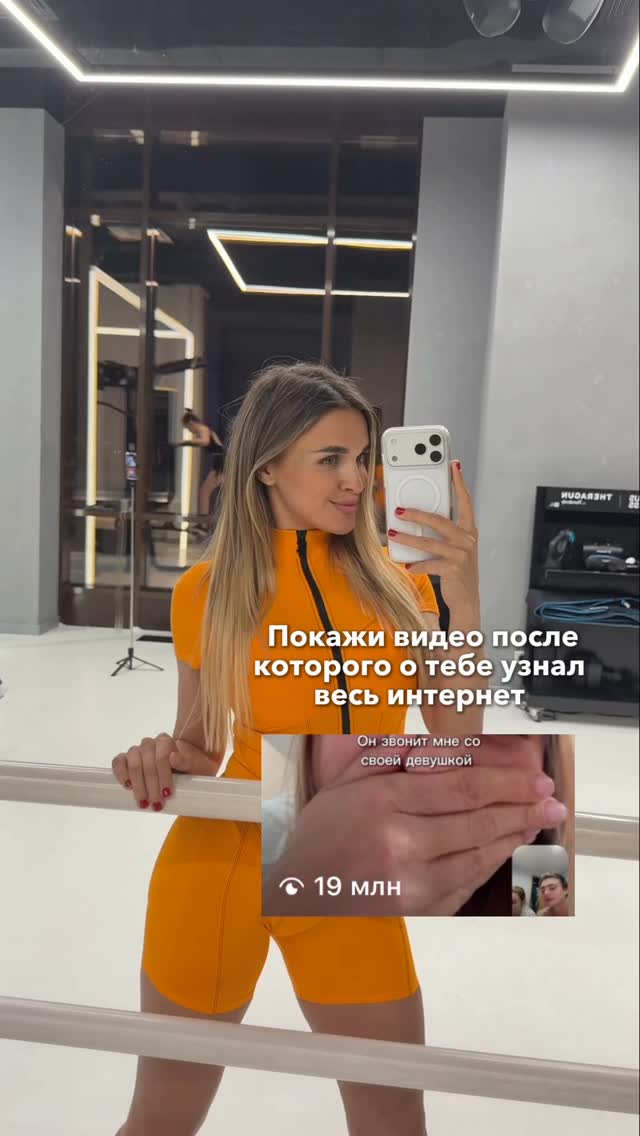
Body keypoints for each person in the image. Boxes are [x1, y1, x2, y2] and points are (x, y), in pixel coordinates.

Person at [111, 361, 486, 1136]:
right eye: (331, 458)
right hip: (217, 864)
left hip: (345, 864)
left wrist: (464, 602)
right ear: (268, 467)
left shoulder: (405, 586)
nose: (357, 480)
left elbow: (457, 742)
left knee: (393, 1118)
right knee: (160, 1122)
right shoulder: (205, 591)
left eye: (364, 457)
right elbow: (201, 744)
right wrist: (159, 754)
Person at [261, 734, 568, 918]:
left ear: (546, 756)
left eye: (486, 728)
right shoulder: (254, 846)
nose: (427, 759)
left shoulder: (551, 890)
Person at [180, 409, 225, 517]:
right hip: (221, 462)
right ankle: (205, 520)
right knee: (210, 490)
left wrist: (187, 442)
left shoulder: (203, 429)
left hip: (221, 463)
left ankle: (203, 520)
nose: (189, 431)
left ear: (191, 423)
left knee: (204, 491)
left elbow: (205, 441)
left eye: (188, 428)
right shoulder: (204, 431)